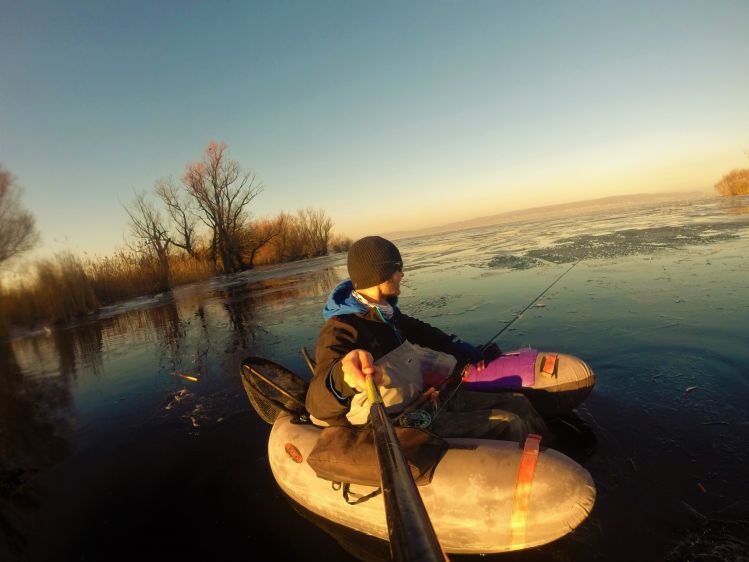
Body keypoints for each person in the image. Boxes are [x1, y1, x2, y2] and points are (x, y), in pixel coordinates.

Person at [305, 235, 549, 442]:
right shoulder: (341, 329)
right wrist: (341, 377)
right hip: (398, 423)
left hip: (424, 400)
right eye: (397, 268)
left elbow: (423, 332)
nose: (402, 274)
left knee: (519, 403)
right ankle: (538, 474)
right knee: (510, 422)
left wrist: (458, 347)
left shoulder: (387, 313)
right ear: (380, 274)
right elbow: (316, 402)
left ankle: (555, 449)